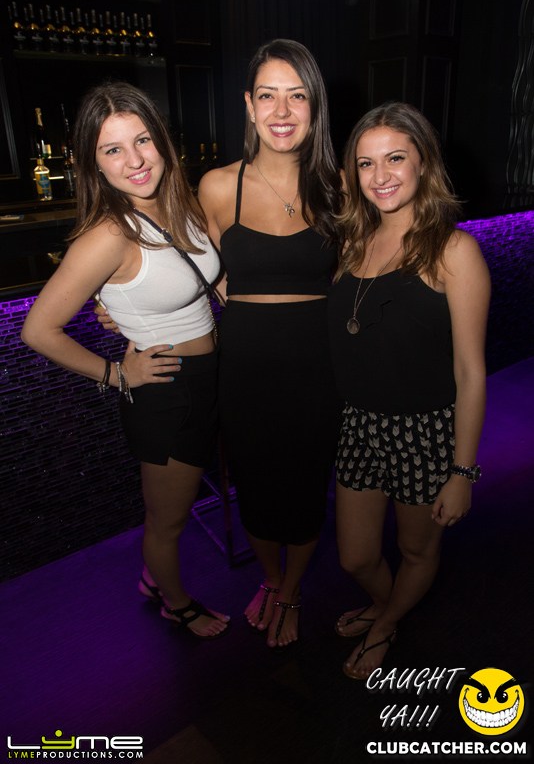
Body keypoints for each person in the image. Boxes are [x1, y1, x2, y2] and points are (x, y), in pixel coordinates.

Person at [21, 81, 230, 639]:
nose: (134, 160)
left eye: (142, 140)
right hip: (166, 393)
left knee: (176, 508)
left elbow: (207, 280)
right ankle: (175, 603)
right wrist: (115, 373)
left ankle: (152, 579)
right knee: (169, 519)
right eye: (113, 149)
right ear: (93, 163)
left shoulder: (180, 205)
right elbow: (38, 330)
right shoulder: (109, 235)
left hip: (207, 379)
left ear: (162, 140)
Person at [328, 102, 490, 678]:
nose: (381, 176)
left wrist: (462, 472)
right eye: (366, 163)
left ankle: (387, 623)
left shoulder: (454, 250)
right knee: (355, 556)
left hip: (425, 430)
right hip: (359, 425)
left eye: (395, 158)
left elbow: (470, 372)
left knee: (418, 550)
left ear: (424, 162)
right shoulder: (354, 242)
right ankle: (384, 602)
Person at [198, 39, 344, 648]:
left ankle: (293, 589)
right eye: (268, 95)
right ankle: (271, 576)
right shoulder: (216, 186)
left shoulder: (341, 186)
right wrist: (117, 307)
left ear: (314, 107)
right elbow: (194, 267)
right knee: (254, 488)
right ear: (249, 106)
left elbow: (359, 273)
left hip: (318, 368)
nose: (282, 111)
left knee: (307, 487)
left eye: (297, 95)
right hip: (245, 370)